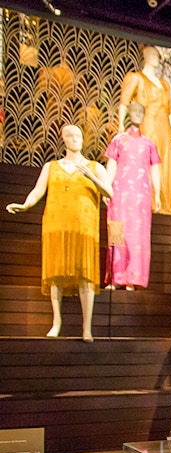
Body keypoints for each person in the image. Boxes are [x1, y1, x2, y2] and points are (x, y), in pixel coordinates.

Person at [7, 124, 112, 343]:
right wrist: (26, 205)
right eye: (70, 135)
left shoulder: (94, 167)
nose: (75, 139)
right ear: (63, 139)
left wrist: (91, 177)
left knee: (86, 274)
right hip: (57, 224)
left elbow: (109, 192)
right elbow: (38, 190)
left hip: (84, 227)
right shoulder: (51, 166)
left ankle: (87, 327)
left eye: (78, 135)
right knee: (56, 273)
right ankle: (56, 322)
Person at [119, 46, 171, 216]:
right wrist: (120, 125)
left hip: (164, 128)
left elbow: (169, 111)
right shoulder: (136, 78)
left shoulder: (164, 84)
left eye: (157, 55)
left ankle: (164, 202)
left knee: (165, 161)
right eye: (153, 54)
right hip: (147, 123)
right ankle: (149, 200)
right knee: (148, 160)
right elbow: (124, 102)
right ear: (145, 56)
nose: (156, 57)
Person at [104, 102, 161, 290]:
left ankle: (132, 279)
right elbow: (111, 164)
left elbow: (155, 169)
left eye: (140, 112)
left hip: (140, 196)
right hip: (119, 193)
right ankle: (115, 277)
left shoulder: (149, 144)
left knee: (137, 236)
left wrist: (158, 194)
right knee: (116, 231)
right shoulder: (118, 140)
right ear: (128, 113)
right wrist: (106, 187)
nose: (137, 114)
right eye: (134, 111)